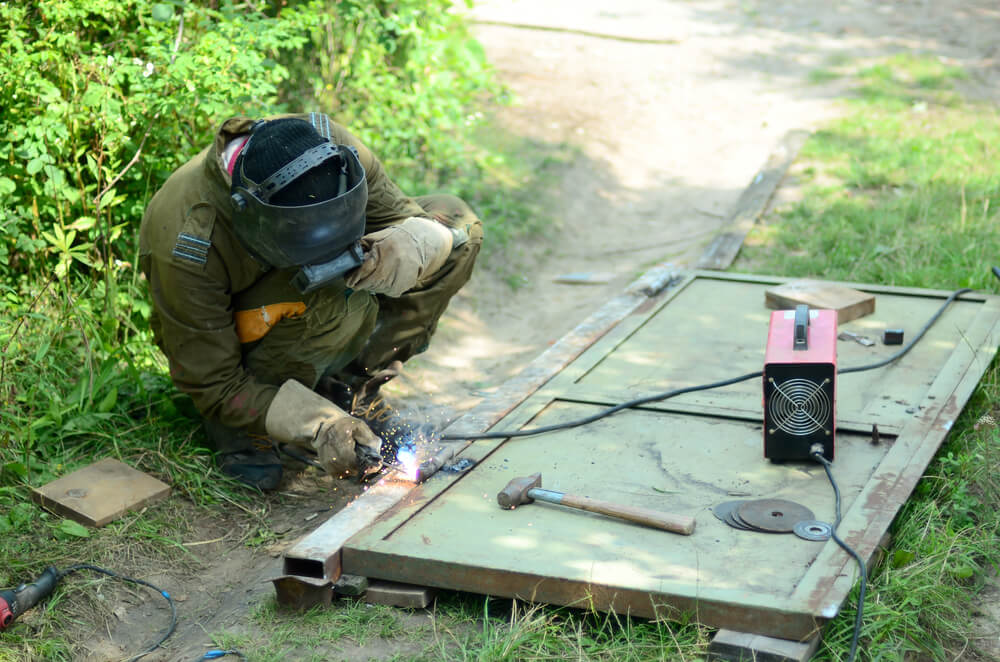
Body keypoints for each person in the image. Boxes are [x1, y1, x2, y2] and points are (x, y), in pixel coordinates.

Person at [139, 113, 483, 490]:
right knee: (332, 298)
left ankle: (348, 390)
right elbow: (214, 381)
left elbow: (403, 215)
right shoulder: (190, 243)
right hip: (235, 348)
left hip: (296, 297)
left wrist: (415, 242)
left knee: (453, 222)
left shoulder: (328, 145)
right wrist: (318, 426)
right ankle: (247, 420)